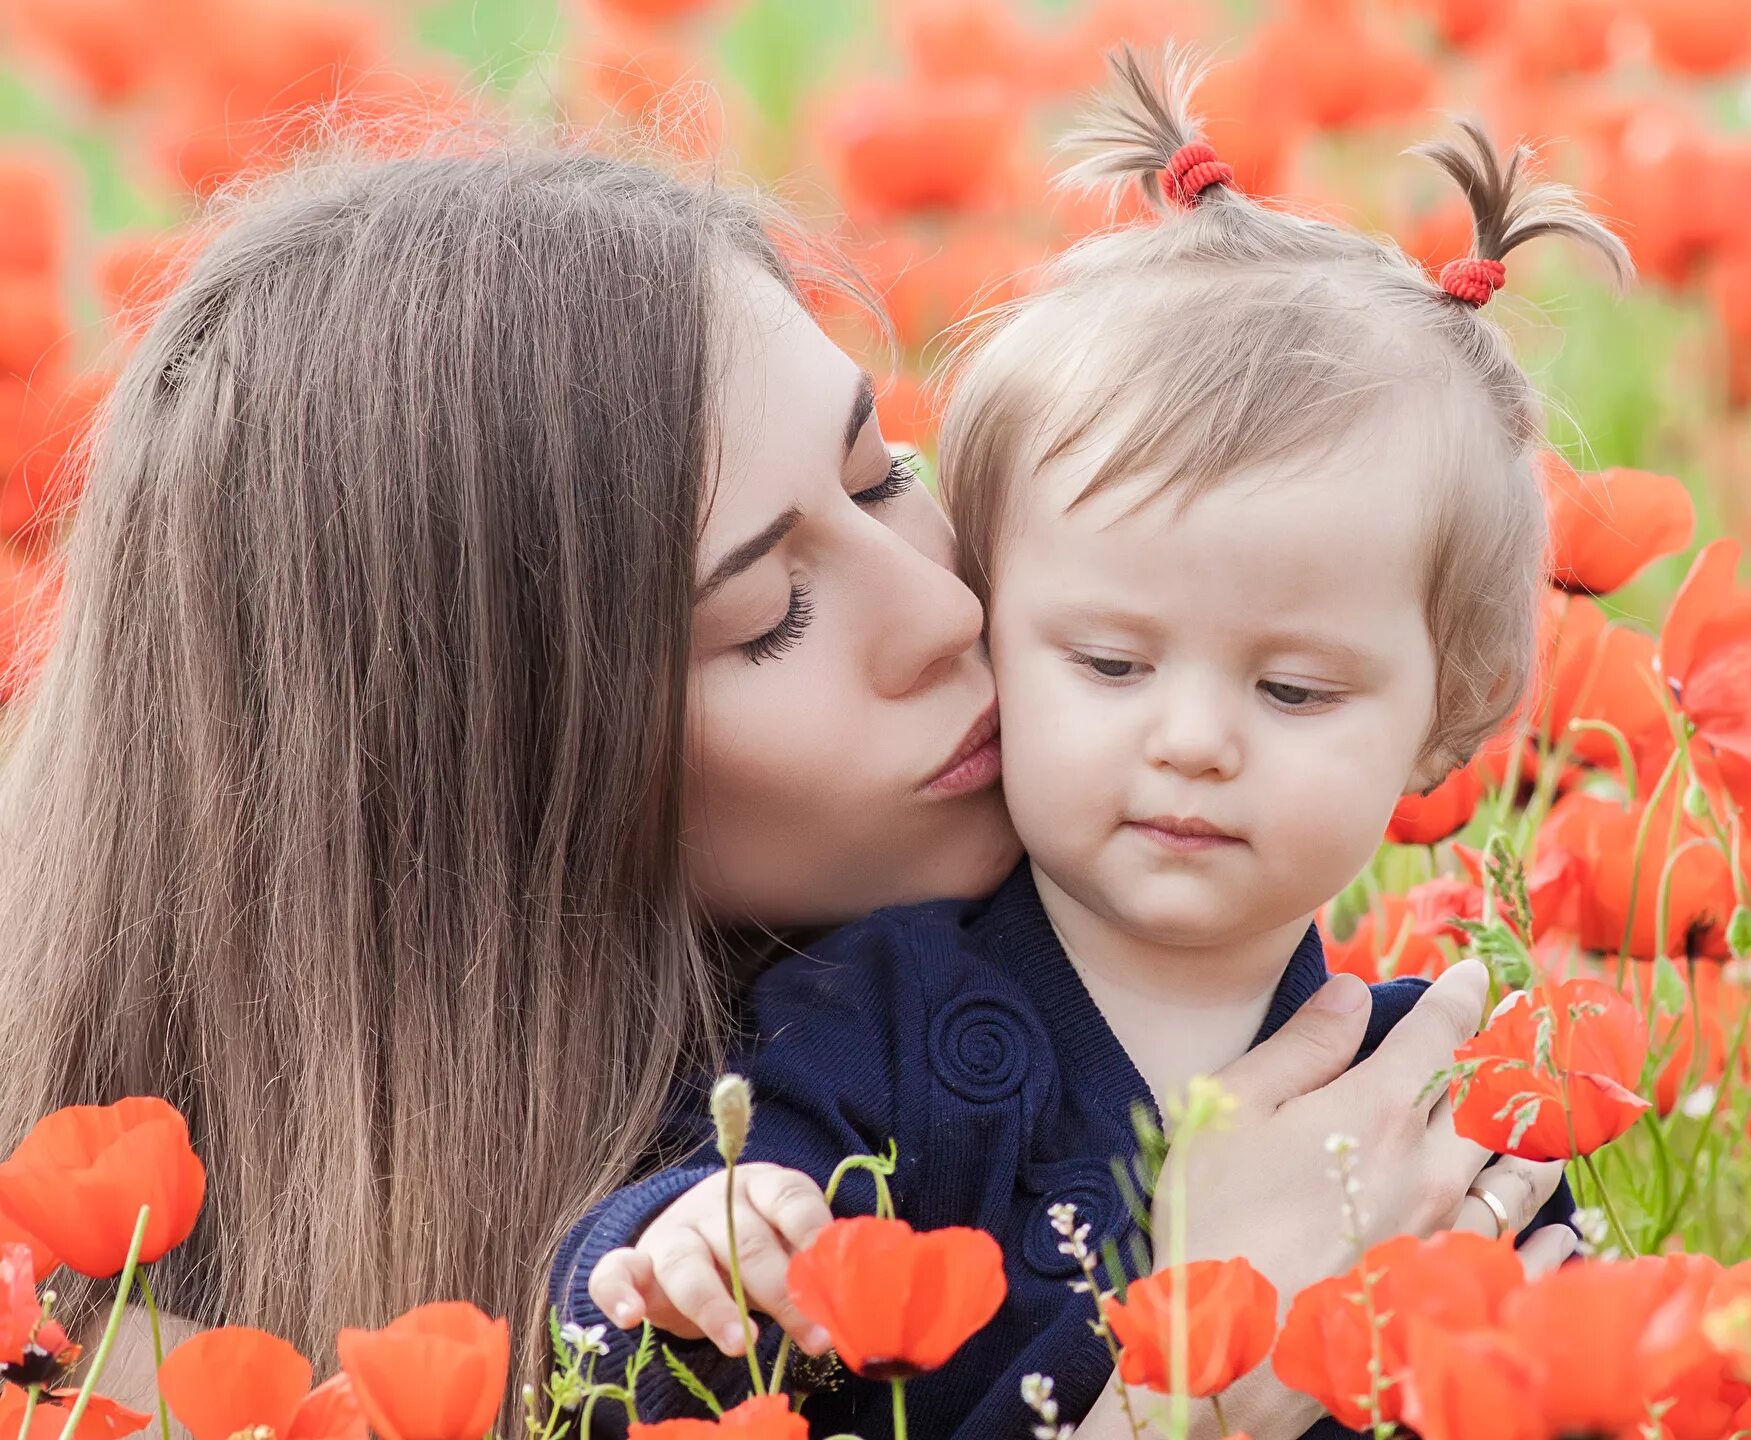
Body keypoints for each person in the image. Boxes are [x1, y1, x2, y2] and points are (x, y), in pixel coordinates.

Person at [0, 132, 1542, 1402]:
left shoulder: (1344, 1035)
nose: (954, 613)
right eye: (769, 613)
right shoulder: (125, 1379)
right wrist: (1195, 1377)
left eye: (888, 477)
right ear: (498, 806)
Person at [556, 48, 1627, 1439]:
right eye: (1112, 665)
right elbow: (647, 1318)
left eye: (1295, 693)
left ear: (1456, 715)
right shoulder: (873, 1016)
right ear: (995, 615)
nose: (1191, 742)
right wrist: (696, 1233)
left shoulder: (1434, 1084)